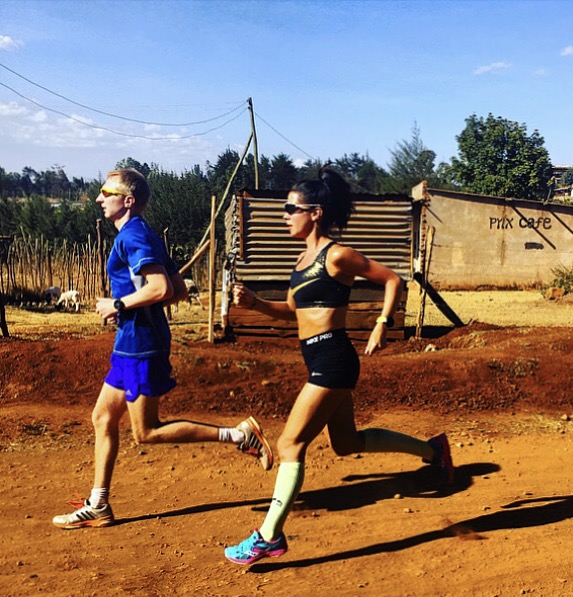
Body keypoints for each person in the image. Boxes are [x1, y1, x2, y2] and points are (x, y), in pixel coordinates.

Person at [224, 167, 453, 566]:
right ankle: (433, 452)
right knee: (346, 443)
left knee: (290, 444)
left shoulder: (337, 254)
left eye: (290, 209)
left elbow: (392, 280)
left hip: (333, 357)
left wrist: (382, 324)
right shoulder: (302, 259)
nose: (284, 215)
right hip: (317, 355)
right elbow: (293, 311)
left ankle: (269, 536)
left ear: (315, 212)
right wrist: (256, 305)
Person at [52, 168, 273, 529]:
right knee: (103, 418)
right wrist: (131, 305)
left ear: (128, 200)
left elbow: (160, 290)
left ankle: (239, 434)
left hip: (141, 344)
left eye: (105, 192)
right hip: (133, 342)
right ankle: (99, 505)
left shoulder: (133, 237)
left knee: (147, 432)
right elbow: (180, 289)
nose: (98, 198)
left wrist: (118, 305)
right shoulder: (144, 234)